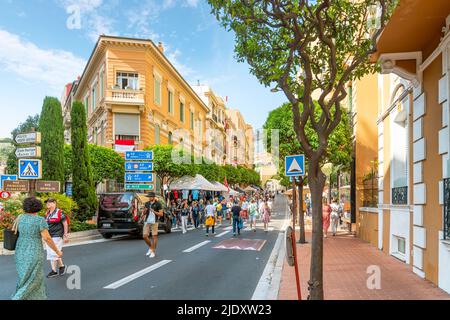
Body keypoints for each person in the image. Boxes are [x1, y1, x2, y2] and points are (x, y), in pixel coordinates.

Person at [12, 197, 63, 300]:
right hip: (34, 249)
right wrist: (57, 251)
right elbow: (47, 238)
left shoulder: (20, 217)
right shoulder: (39, 220)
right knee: (34, 276)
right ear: (37, 207)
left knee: (24, 276)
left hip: (20, 249)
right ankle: (19, 297)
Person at [44, 198, 69, 278]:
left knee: (53, 253)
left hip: (57, 235)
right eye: (46, 203)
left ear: (54, 203)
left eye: (49, 202)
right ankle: (61, 266)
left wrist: (65, 235)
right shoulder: (47, 213)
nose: (47, 204)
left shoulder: (60, 212)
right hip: (49, 236)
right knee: (54, 251)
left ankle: (54, 271)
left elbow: (65, 224)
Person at [142, 192, 163, 258]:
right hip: (147, 221)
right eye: (148, 197)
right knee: (145, 236)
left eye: (150, 197)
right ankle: (151, 247)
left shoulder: (158, 204)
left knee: (154, 236)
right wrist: (144, 211)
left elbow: (161, 214)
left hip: (154, 222)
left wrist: (153, 211)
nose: (149, 198)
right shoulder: (147, 203)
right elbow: (144, 213)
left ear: (153, 197)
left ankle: (153, 251)